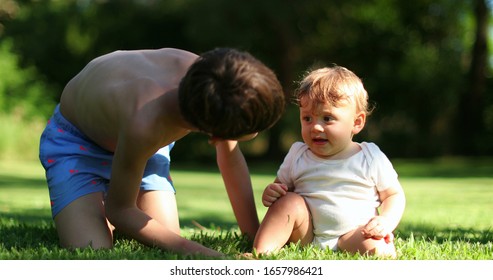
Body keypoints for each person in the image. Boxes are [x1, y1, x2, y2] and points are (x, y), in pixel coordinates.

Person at [38, 47, 285, 257]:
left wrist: (254, 237)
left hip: (144, 149)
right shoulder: (145, 122)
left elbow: (230, 161)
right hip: (77, 143)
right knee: (92, 249)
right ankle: (93, 208)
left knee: (164, 235)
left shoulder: (215, 84)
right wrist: (204, 253)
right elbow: (120, 209)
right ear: (215, 136)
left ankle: (102, 208)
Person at [252, 66, 405, 258]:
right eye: (307, 118)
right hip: (306, 233)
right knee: (288, 202)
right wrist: (272, 192)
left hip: (354, 233)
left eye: (327, 118)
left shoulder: (369, 156)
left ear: (357, 123)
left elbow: (394, 195)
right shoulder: (298, 154)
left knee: (378, 250)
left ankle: (379, 248)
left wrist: (385, 221)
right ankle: (261, 253)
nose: (315, 127)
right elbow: (281, 191)